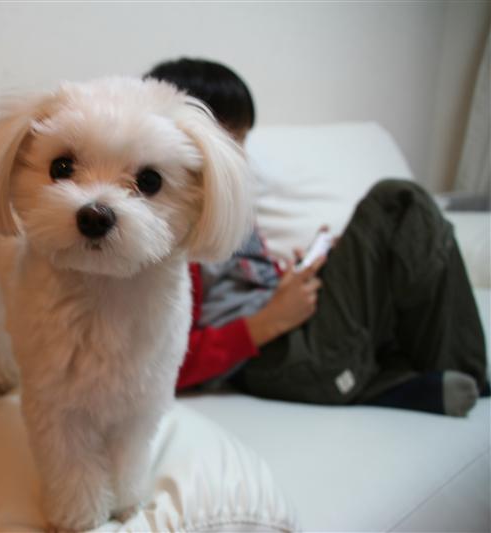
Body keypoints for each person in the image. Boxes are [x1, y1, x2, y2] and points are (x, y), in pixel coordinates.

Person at [145, 57, 488, 417]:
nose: (241, 155)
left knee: (399, 241)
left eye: (243, 140)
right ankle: (451, 373)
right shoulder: (171, 229)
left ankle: (403, 380)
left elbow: (245, 280)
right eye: (231, 140)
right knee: (397, 202)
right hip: (273, 356)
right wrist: (268, 321)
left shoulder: (233, 206)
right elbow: (166, 360)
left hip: (296, 329)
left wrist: (300, 274)